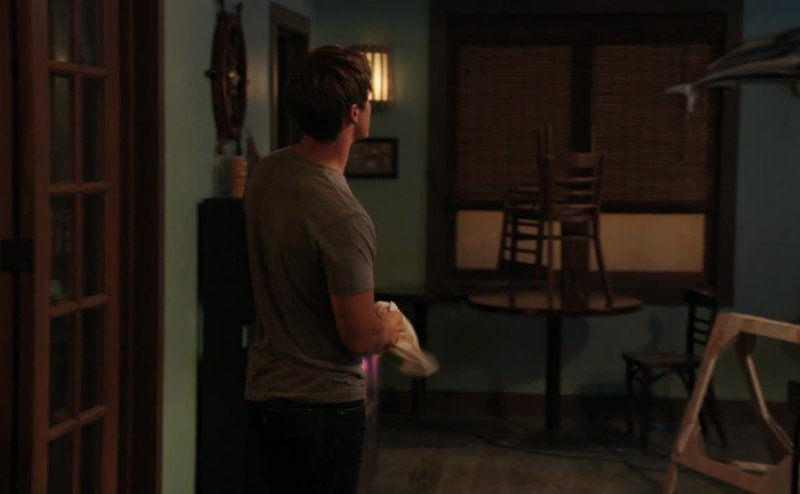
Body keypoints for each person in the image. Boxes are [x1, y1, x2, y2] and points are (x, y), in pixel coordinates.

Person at [243, 45, 404, 494]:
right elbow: (359, 337)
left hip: (263, 395)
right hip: (321, 406)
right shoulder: (343, 215)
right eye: (367, 101)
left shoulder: (266, 174)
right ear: (354, 113)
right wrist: (390, 329)